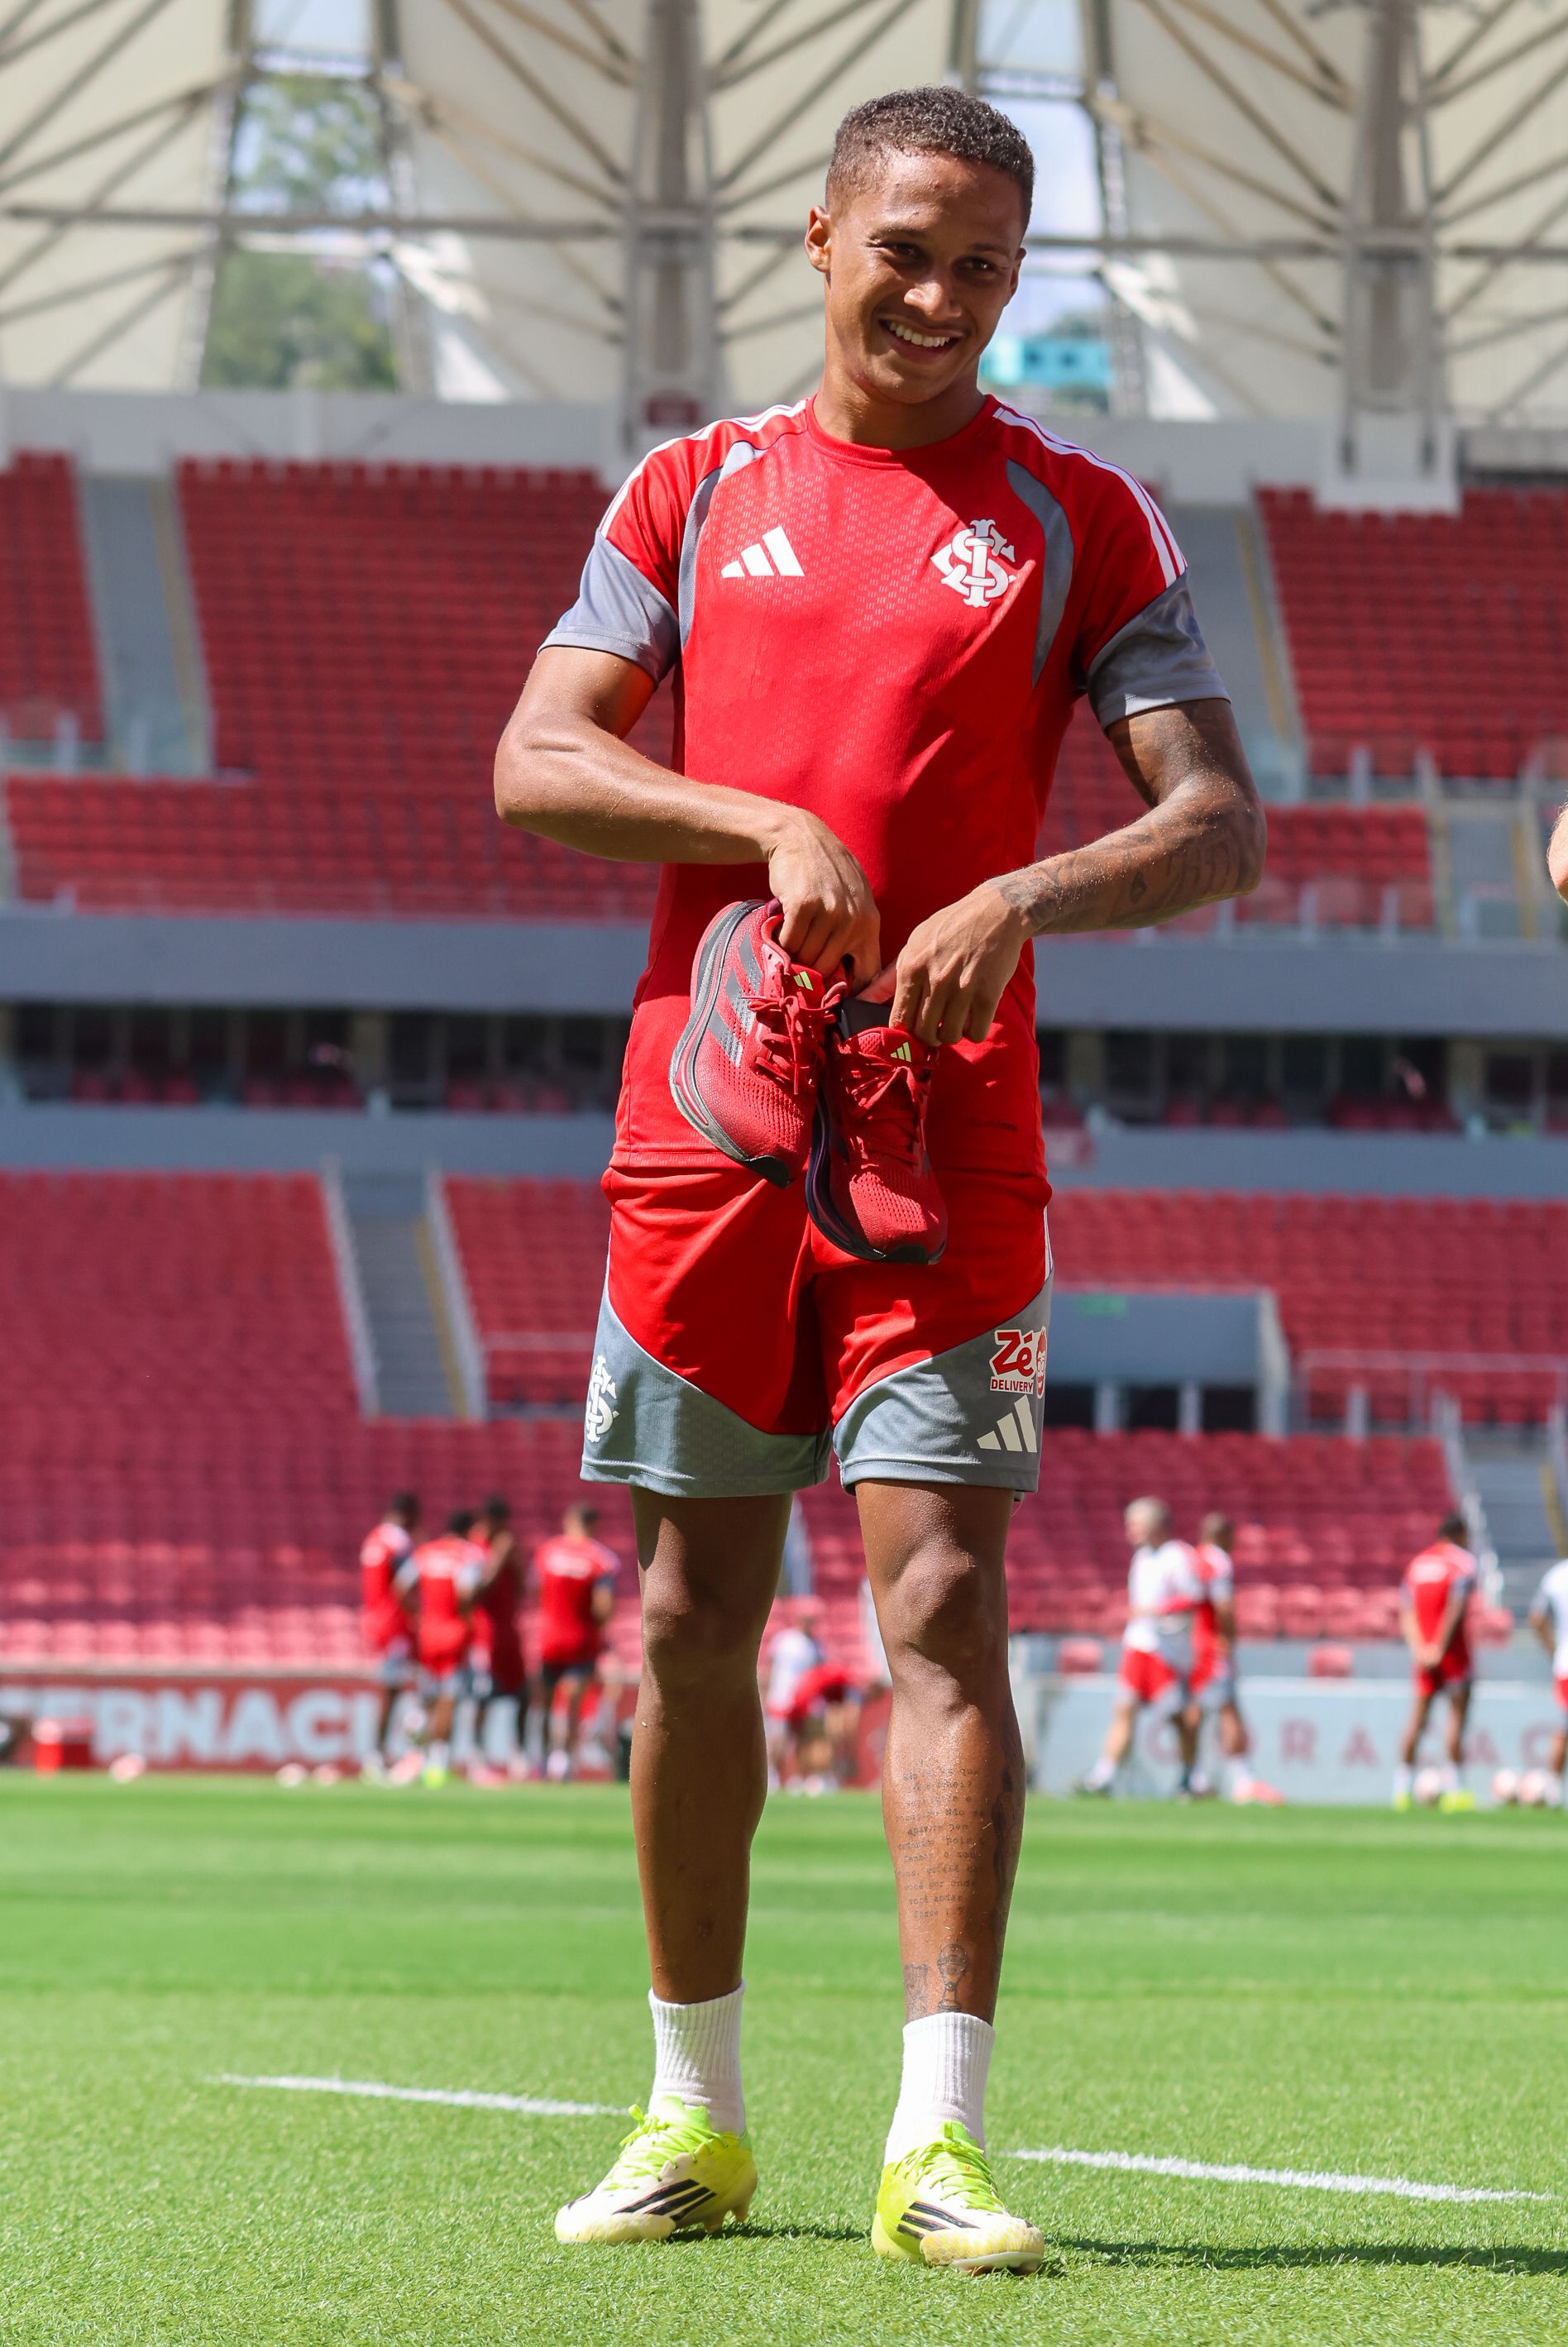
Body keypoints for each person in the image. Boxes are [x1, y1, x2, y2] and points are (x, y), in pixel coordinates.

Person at [495, 80, 1263, 2269]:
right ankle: (693, 2113)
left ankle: (939, 2142)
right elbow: (536, 756)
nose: (941, 298)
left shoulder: (1081, 513)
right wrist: (760, 823)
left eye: (985, 266)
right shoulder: (691, 487)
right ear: (823, 241)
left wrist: (1029, 891)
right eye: (906, 251)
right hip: (708, 1126)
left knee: (938, 1603)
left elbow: (1218, 818)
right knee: (688, 1617)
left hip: (951, 1137)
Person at [1078, 1499, 1203, 1798]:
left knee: (1177, 1716)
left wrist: (1156, 1611)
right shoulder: (1143, 1557)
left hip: (1166, 1650)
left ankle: (1190, 1776)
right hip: (1139, 1645)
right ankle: (1103, 1777)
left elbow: (1193, 1598)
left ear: (1153, 1525)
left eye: (1134, 1525)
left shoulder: (1178, 1556)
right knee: (1124, 1708)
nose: (1130, 1533)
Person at [1394, 1513, 1479, 1812]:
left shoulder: (1417, 1564)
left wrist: (1420, 1649)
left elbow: (1406, 1610)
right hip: (1453, 1654)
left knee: (1416, 1722)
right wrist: (1440, 1648)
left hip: (1423, 1654)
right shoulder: (1463, 1563)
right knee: (1455, 1721)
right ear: (1460, 1534)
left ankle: (1401, 1790)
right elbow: (1456, 1608)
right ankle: (1456, 1791)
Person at [533, 1503, 619, 1781]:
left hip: (550, 1639)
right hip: (582, 1641)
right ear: (593, 1524)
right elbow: (604, 1607)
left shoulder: (547, 1552)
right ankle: (564, 1760)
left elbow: (536, 1591)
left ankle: (544, 1758)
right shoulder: (601, 1559)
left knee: (547, 1702)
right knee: (572, 1701)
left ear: (569, 1520)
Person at [413, 1508, 486, 1786]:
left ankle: (415, 1725)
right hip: (455, 1633)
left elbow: (402, 1586)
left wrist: (417, 1615)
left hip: (427, 1632)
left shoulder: (426, 1552)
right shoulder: (470, 1555)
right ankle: (437, 1761)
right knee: (449, 1696)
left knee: (429, 1695)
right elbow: (465, 1593)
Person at [1185, 1511, 1255, 1801]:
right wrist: (1229, 1638)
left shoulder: (1191, 1558)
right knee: (1228, 1708)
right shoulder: (1218, 1561)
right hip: (1212, 1645)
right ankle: (1242, 1780)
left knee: (1195, 1710)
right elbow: (1223, 1606)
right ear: (1224, 1535)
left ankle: (1193, 1776)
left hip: (1190, 1645)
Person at [358, 1491, 419, 1776]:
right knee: (398, 1689)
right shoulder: (399, 1541)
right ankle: (383, 1754)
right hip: (394, 1623)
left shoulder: (374, 1538)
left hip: (375, 1620)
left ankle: (380, 1753)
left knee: (395, 1688)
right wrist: (418, 1614)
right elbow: (405, 1584)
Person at [471, 1494, 529, 1779]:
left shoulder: (509, 1548)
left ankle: (519, 1754)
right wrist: (498, 1557)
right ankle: (478, 1757)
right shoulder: (476, 1549)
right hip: (485, 1634)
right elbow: (478, 1592)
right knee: (484, 1697)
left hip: (509, 1633)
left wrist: (514, 1562)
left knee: (522, 1694)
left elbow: (522, 1589)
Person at [762, 1599, 825, 1787]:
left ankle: (802, 1776)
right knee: (777, 1738)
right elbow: (769, 1668)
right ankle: (771, 1774)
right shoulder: (784, 1640)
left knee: (803, 1739)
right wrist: (766, 1694)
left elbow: (819, 1673)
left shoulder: (816, 1646)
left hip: (805, 1699)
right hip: (782, 1697)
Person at [1527, 1553, 1568, 1799]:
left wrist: (1554, 1652)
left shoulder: (1558, 1574)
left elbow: (1536, 1617)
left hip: (1565, 1664)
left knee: (1564, 1727)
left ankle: (1553, 1792)